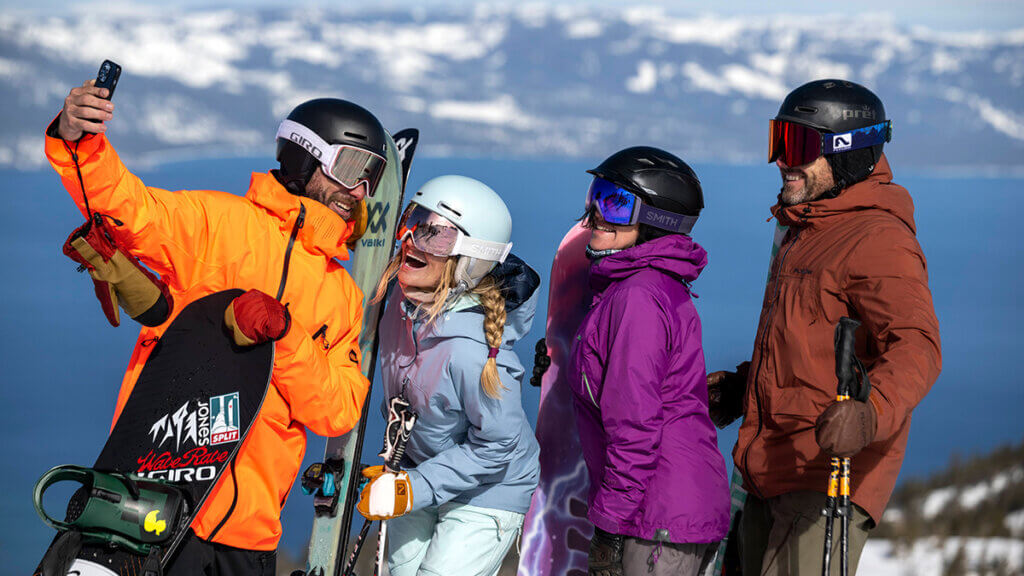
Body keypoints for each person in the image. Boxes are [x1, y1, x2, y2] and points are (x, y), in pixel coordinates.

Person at [47, 80, 392, 574]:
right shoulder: (217, 225)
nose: (359, 191)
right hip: (158, 510)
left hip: (250, 538)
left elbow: (337, 411)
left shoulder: (342, 294)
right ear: (304, 158)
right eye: (352, 168)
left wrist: (286, 337)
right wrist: (79, 141)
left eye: (372, 177)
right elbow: (128, 210)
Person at [707, 79, 942, 575]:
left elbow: (916, 345)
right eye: (778, 140)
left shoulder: (877, 237)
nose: (780, 159)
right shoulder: (808, 229)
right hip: (768, 468)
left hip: (826, 479)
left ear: (848, 153)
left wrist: (869, 413)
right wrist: (744, 389)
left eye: (796, 145)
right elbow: (809, 349)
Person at [355, 175, 541, 576]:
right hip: (423, 470)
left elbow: (499, 445)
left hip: (490, 489)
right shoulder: (395, 308)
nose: (410, 239)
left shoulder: (472, 350)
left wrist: (411, 489)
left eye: (434, 235)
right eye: (412, 220)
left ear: (470, 258)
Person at [568, 147, 730, 576]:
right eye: (596, 194)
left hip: (658, 518)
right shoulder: (643, 287)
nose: (595, 214)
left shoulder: (637, 297)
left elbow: (634, 426)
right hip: (665, 511)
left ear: (658, 219)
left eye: (616, 203)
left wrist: (609, 527)